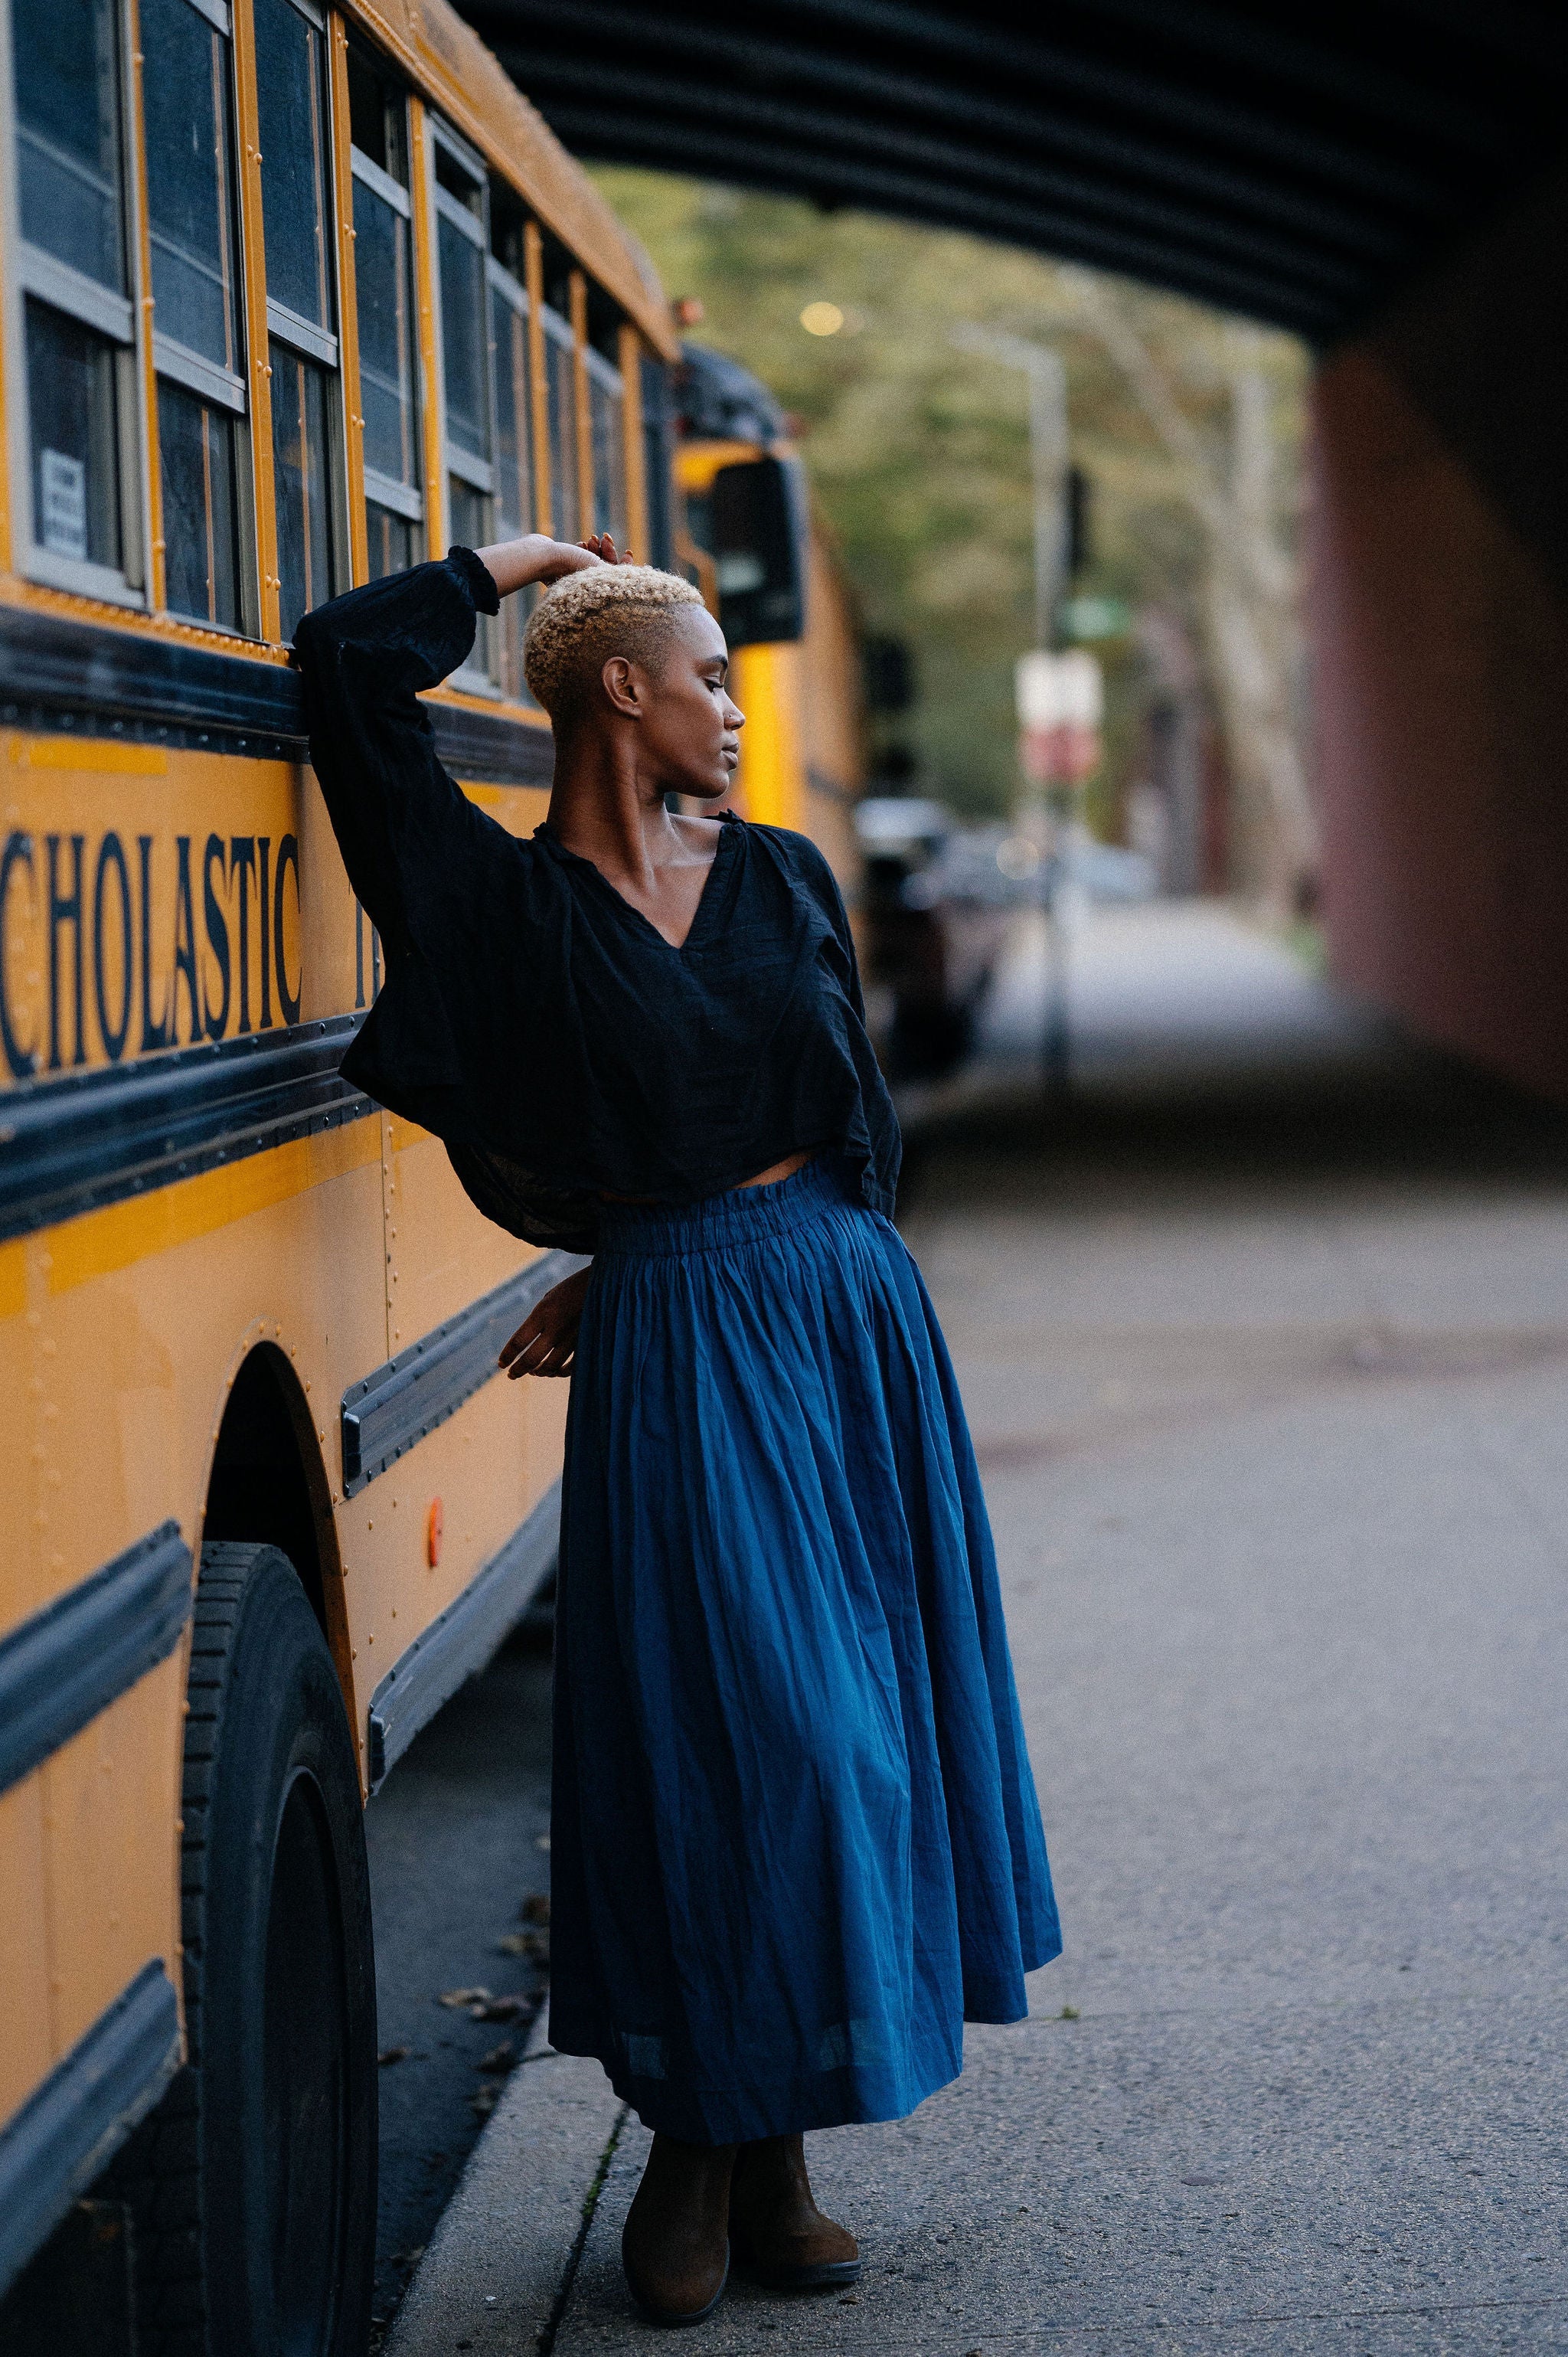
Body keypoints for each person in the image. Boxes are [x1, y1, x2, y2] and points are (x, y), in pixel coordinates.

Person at [292, 534, 1061, 2326]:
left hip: (844, 1318)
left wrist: (688, 1245)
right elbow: (342, 674)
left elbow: (833, 1112)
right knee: (745, 1746)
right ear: (616, 692)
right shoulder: (501, 904)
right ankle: (700, 2151)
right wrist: (510, 567)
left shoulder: (781, 872)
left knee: (855, 1739)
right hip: (688, 1345)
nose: (733, 704)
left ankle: (761, 2156)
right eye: (707, 672)